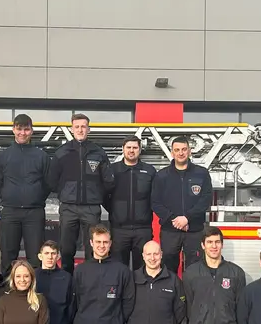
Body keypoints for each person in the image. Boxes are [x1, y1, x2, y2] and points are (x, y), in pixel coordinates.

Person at [47, 113, 113, 273]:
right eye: (77, 127)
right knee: (67, 249)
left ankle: (92, 279)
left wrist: (96, 194)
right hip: (68, 207)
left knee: (93, 249)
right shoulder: (62, 152)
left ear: (89, 129)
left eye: (83, 126)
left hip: (91, 208)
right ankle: (67, 281)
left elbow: (108, 181)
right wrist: (65, 192)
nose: (80, 129)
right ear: (72, 129)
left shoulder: (98, 152)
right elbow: (51, 180)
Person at [0, 114, 50, 277]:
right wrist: (7, 196)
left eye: (26, 129)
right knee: (8, 256)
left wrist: (37, 197)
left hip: (34, 212)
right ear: (13, 130)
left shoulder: (42, 156)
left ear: (32, 131)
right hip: (10, 212)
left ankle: (37, 294)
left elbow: (49, 183)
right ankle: (7, 293)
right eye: (19, 129)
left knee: (36, 256)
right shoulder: (3, 156)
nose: (22, 133)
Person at [151, 135, 212, 275]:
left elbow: (205, 199)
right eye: (177, 150)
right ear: (172, 152)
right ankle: (172, 296)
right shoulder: (162, 176)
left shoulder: (201, 173)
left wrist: (187, 218)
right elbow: (155, 202)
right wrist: (174, 219)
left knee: (196, 269)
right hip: (170, 230)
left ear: (190, 151)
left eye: (184, 149)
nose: (181, 153)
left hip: (194, 230)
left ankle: (192, 297)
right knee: (168, 268)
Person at [107, 136, 156, 270]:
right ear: (123, 149)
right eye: (128, 147)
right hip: (119, 230)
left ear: (140, 150)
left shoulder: (150, 171)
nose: (131, 150)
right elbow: (104, 195)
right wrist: (115, 211)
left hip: (143, 230)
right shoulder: (112, 170)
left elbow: (155, 197)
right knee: (118, 269)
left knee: (142, 270)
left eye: (135, 147)